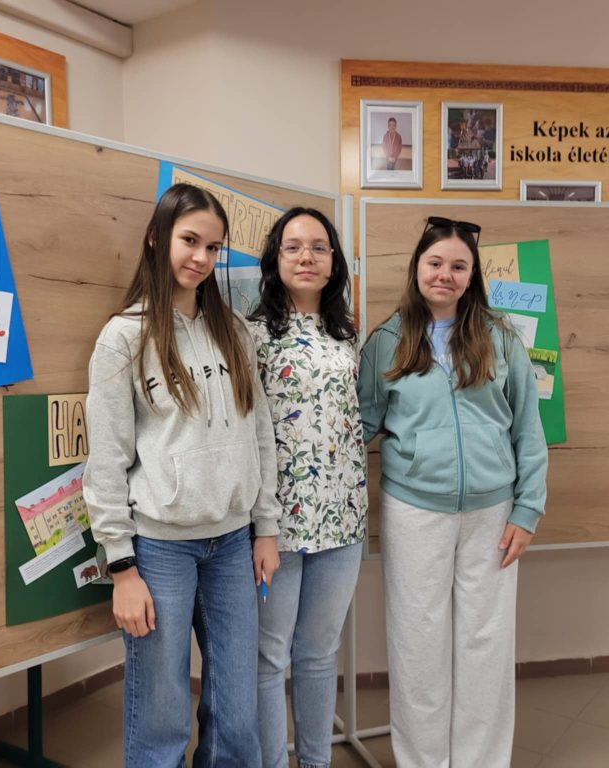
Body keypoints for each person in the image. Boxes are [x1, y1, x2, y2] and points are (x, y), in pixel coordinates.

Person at [83, 183, 281, 768]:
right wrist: (121, 567)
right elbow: (106, 458)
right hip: (160, 549)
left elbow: (260, 433)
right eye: (189, 240)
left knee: (237, 711)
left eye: (213, 248)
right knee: (161, 713)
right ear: (157, 238)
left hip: (233, 542)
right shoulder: (124, 337)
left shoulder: (234, 331)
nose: (201, 257)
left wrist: (266, 527)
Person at [357, 216, 548, 768]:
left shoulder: (500, 336)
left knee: (485, 644)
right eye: (435, 262)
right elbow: (361, 425)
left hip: (493, 511)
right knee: (418, 644)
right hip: (414, 511)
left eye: (458, 266)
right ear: (417, 267)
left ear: (472, 275)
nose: (445, 274)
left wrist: (528, 510)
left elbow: (527, 429)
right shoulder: (387, 342)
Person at [247, 208, 367, 768]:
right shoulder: (252, 335)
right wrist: (262, 525)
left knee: (319, 654)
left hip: (343, 520)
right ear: (275, 257)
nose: (306, 257)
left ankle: (316, 762)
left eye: (319, 247)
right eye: (293, 246)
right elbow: (248, 437)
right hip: (277, 527)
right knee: (269, 658)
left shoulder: (347, 334)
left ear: (334, 261)